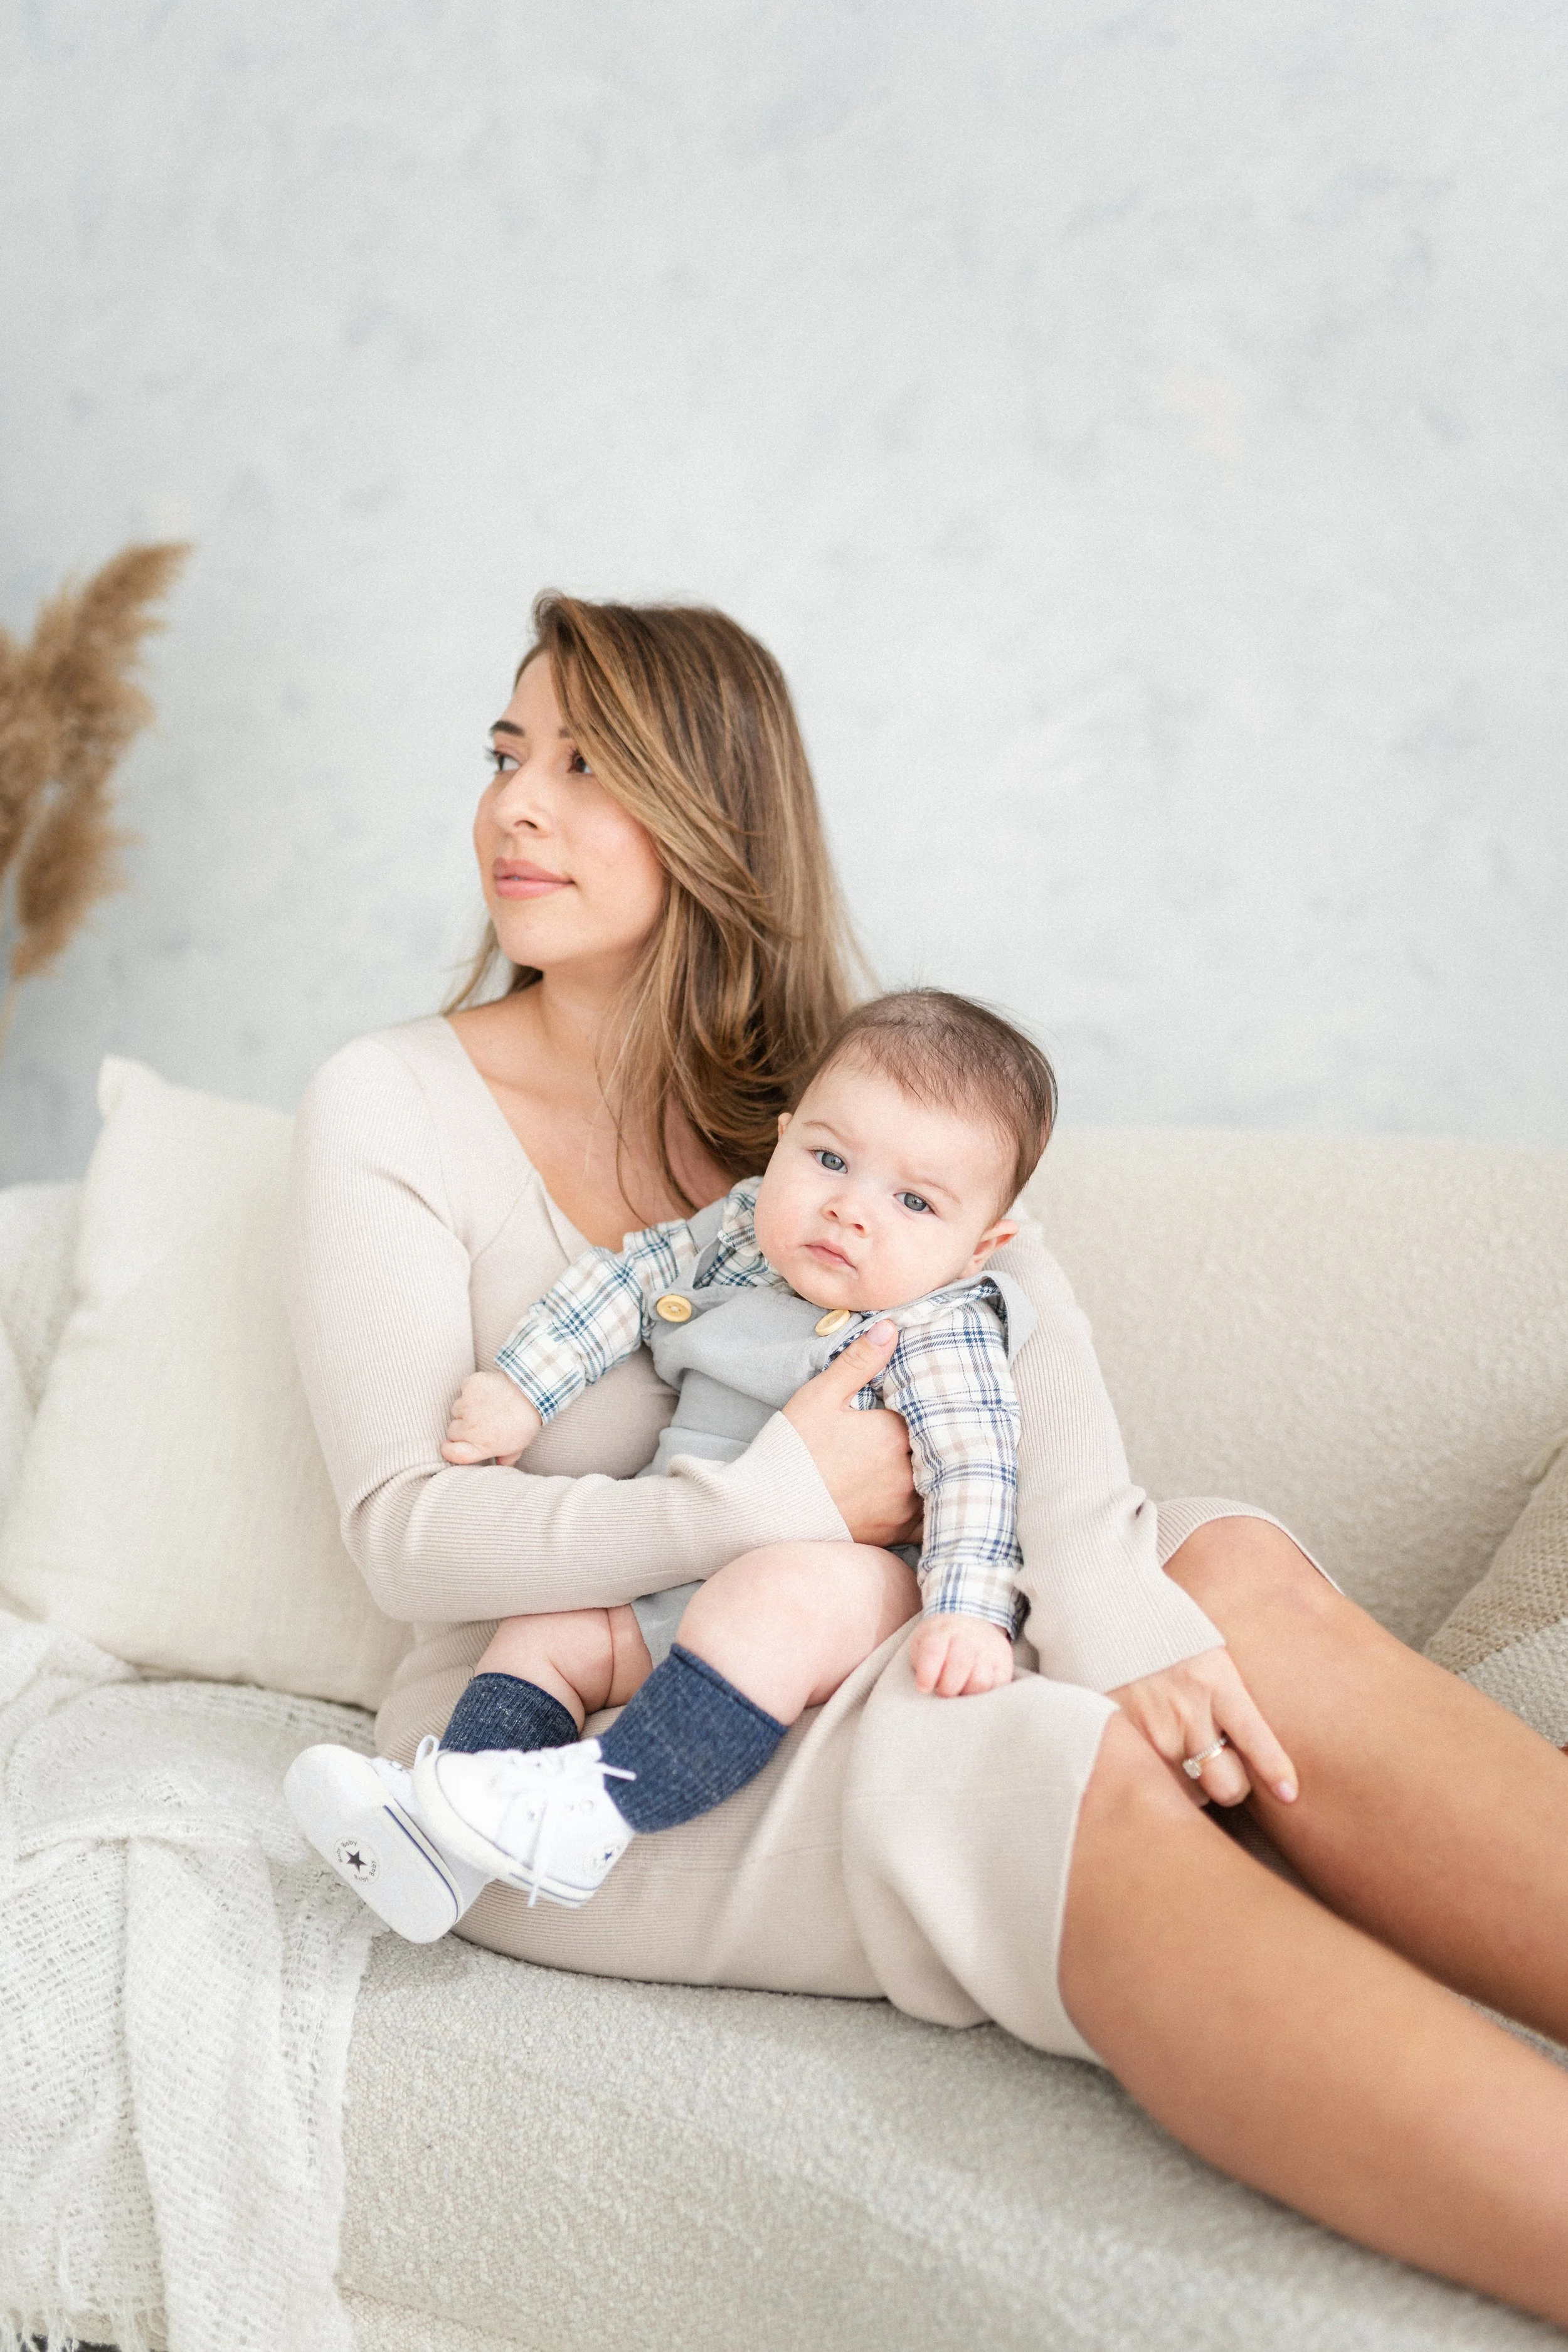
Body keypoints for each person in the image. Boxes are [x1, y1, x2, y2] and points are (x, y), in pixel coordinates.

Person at [285, 592, 1568, 2328]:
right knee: (1041, 1762)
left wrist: (1108, 1602)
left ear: (713, 813)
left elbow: (1031, 1332)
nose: (517, 803)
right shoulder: (388, 1100)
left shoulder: (831, 1083)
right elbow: (400, 1534)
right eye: (508, 752)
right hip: (588, 1709)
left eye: (589, 765)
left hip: (887, 1591)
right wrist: (761, 1504)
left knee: (1220, 1584)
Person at [287, 989, 1069, 1921]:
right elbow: (622, 1283)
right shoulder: (738, 1239)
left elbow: (977, 1470)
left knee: (769, 1597)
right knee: (550, 1629)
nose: (848, 1210)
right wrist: (522, 1389)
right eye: (827, 1159)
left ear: (983, 1246)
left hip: (852, 1589)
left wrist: (968, 1613)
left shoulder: (942, 1324)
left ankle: (597, 1808)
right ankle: (451, 1828)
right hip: (672, 1569)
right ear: (779, 1145)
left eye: (912, 1201)